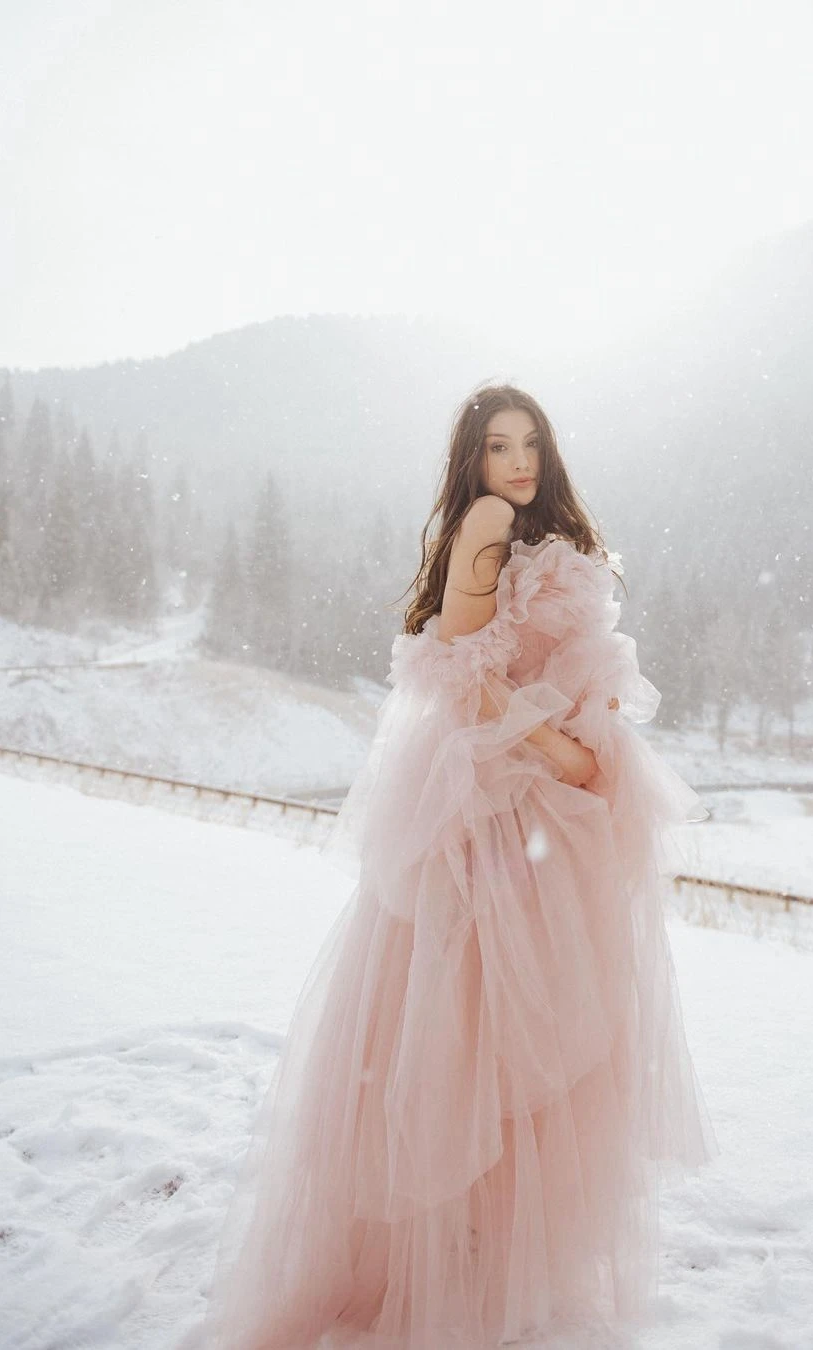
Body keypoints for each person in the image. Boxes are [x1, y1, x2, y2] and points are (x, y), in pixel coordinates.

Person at [200, 384, 719, 1350]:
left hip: (535, 807)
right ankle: (454, 1253)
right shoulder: (487, 522)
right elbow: (467, 687)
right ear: (472, 465)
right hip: (497, 804)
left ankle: (485, 1239)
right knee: (487, 1013)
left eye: (530, 444)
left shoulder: (534, 533)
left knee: (501, 1016)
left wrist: (584, 743)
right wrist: (571, 757)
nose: (517, 464)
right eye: (496, 447)